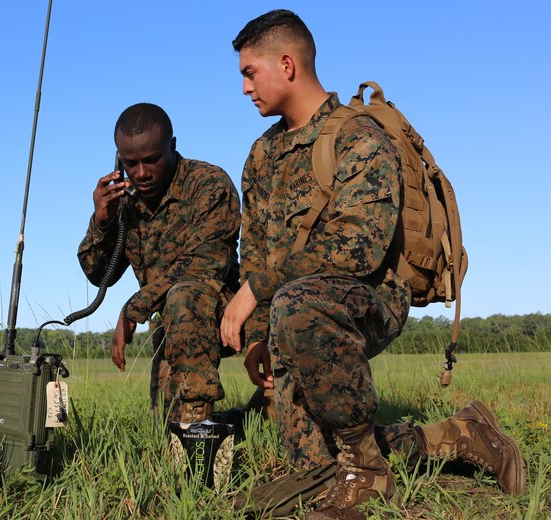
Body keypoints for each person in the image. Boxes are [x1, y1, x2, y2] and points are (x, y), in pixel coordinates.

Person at [220, 10, 526, 519]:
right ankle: (461, 434)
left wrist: (259, 288)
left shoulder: (357, 136)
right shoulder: (261, 154)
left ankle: (369, 478)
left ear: (288, 64)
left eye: (250, 72)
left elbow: (358, 246)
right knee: (316, 459)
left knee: (298, 305)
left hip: (368, 299)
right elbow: (254, 245)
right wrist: (257, 335)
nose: (245, 87)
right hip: (294, 315)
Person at [78, 103, 241, 423]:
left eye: (152, 159)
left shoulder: (208, 184)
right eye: (130, 163)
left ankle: (199, 439)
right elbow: (99, 275)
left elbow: (204, 264)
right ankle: (218, 427)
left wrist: (133, 309)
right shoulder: (125, 203)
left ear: (173, 147)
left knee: (185, 296)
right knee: (164, 428)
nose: (141, 173)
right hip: (169, 325)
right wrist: (102, 221)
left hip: (225, 309)